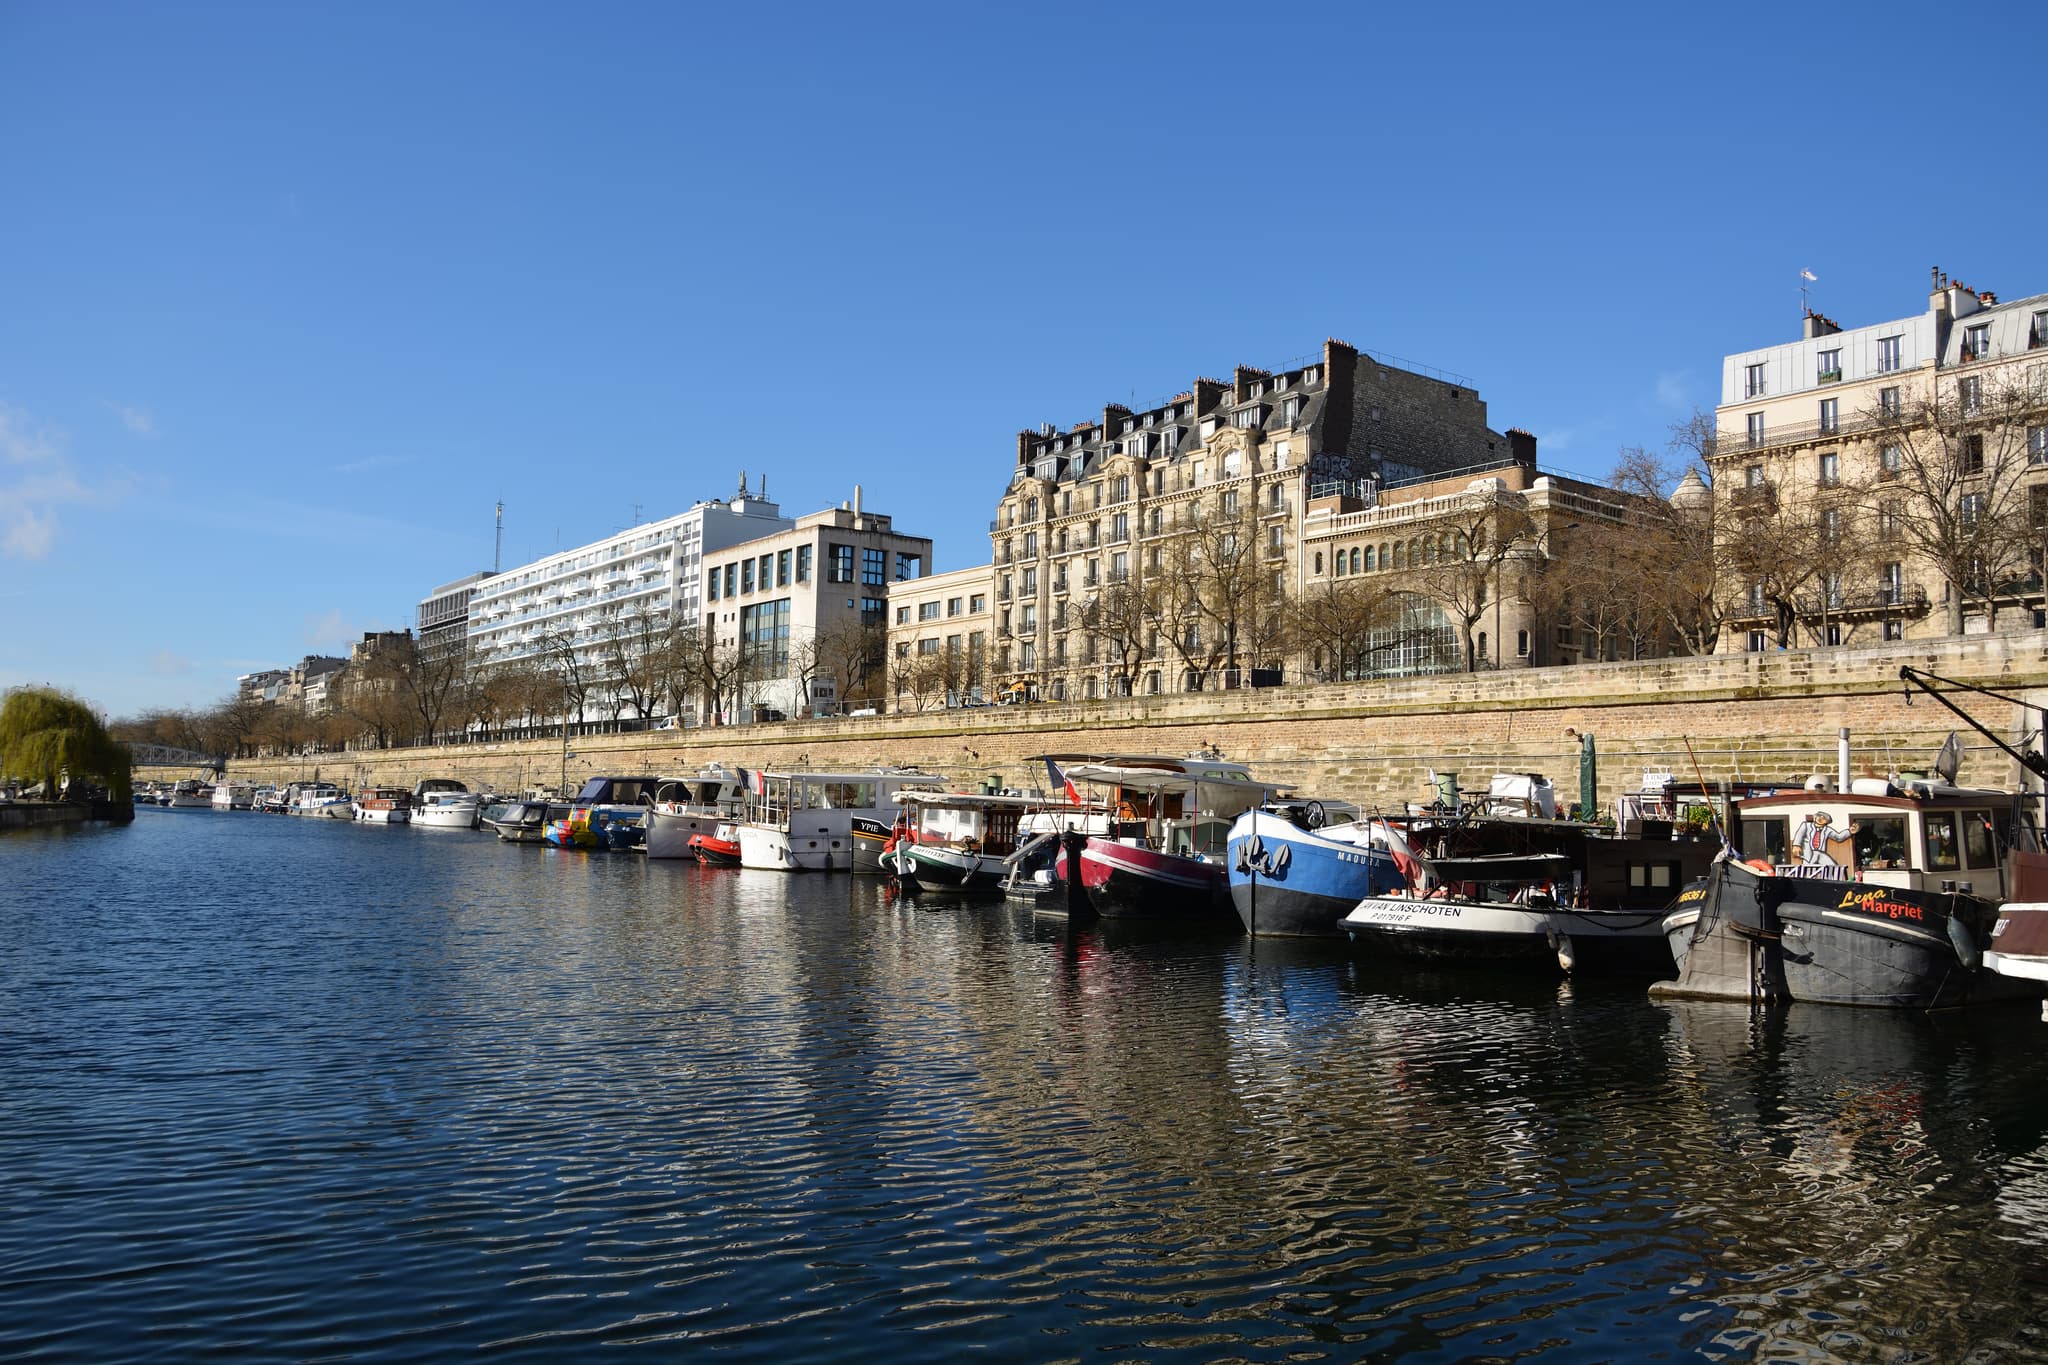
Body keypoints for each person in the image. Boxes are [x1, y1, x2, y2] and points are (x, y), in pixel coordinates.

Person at [1791, 811, 1856, 868]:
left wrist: (1849, 831)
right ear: (1815, 818)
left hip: (1820, 853)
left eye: (1823, 818)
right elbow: (1799, 835)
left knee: (1834, 867)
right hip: (1808, 854)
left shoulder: (1827, 830)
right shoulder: (1806, 825)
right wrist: (1796, 845)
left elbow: (1838, 837)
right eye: (1819, 817)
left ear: (1827, 821)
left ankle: (1834, 881)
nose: (1820, 819)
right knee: (1807, 869)